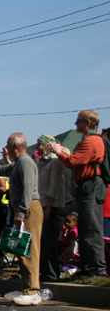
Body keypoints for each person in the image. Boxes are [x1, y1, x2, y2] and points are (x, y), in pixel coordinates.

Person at [0, 133, 43, 305]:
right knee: (21, 249)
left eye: (8, 144)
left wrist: (21, 212)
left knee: (28, 248)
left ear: (16, 146)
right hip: (22, 208)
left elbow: (28, 189)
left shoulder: (25, 162)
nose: (6, 147)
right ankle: (26, 287)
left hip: (29, 208)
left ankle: (32, 291)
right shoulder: (17, 163)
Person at [48, 110, 107, 277]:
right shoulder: (91, 140)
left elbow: (73, 161)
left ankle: (97, 269)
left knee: (91, 229)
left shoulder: (91, 141)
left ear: (87, 122)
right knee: (86, 228)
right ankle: (88, 268)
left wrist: (58, 151)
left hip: (90, 185)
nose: (75, 124)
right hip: (87, 186)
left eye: (78, 120)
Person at [36, 134, 67, 282]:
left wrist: (49, 206)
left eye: (40, 144)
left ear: (48, 146)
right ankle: (43, 270)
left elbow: (55, 186)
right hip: (40, 204)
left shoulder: (55, 162)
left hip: (51, 206)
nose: (38, 148)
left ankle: (52, 272)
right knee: (42, 240)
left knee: (50, 241)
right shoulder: (41, 163)